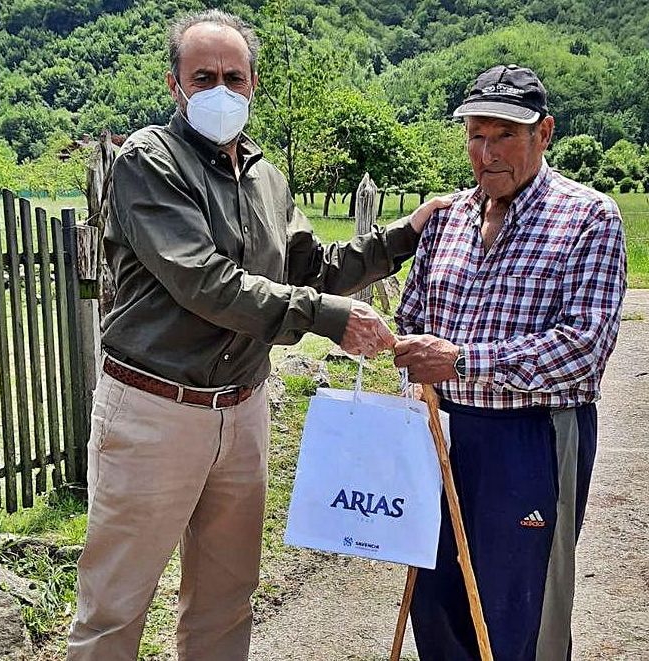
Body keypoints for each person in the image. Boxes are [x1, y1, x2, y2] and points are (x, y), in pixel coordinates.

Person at [66, 10, 449, 660]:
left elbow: (312, 266)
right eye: (204, 76)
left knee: (225, 599)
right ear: (175, 85)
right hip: (156, 410)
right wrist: (332, 320)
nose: (220, 89)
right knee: (116, 606)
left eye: (233, 77)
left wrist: (403, 235)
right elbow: (207, 283)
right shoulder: (148, 162)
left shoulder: (267, 178)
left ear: (253, 84)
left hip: (242, 412)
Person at [393, 64, 627, 660]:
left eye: (505, 135)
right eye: (476, 135)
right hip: (442, 432)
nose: (487, 152)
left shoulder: (588, 217)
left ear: (543, 133)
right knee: (437, 598)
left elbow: (584, 348)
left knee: (519, 609)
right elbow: (413, 313)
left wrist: (463, 361)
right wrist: (411, 356)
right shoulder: (445, 218)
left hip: (531, 438)